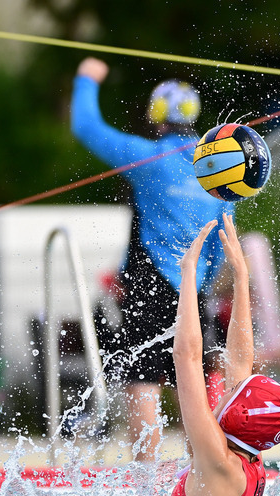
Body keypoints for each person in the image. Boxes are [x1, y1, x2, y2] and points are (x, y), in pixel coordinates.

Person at [70, 57, 231, 462]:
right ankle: (207, 470)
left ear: (156, 116)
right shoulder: (216, 169)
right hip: (197, 289)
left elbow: (86, 127)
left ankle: (147, 480)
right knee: (194, 376)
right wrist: (202, 287)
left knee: (144, 377)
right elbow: (224, 240)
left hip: (150, 285)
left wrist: (88, 79)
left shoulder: (148, 158)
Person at [164, 215, 280, 496]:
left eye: (233, 392)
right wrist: (242, 278)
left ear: (237, 414)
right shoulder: (247, 459)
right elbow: (239, 360)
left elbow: (186, 357)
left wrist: (187, 274)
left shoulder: (216, 460)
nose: (226, 387)